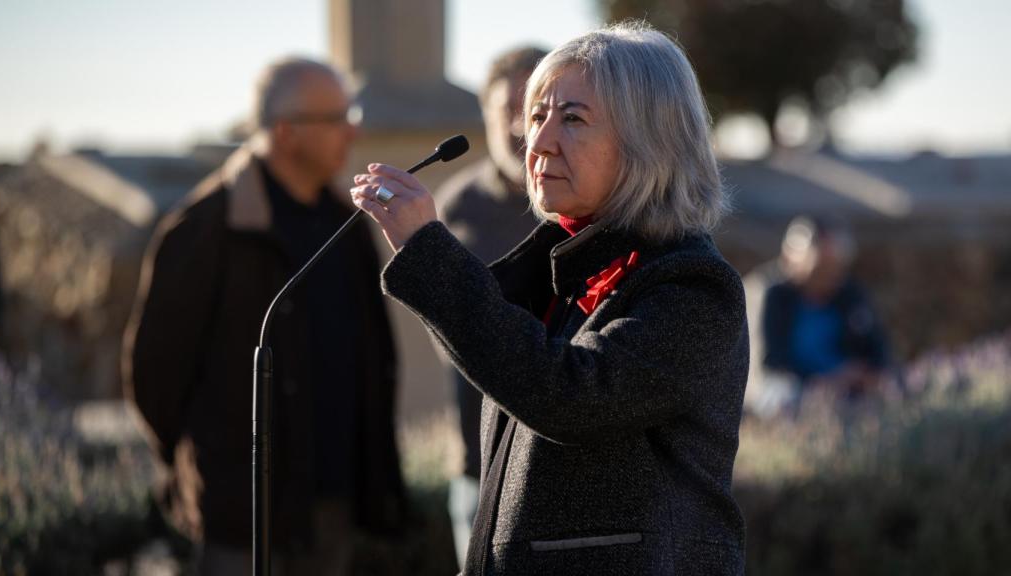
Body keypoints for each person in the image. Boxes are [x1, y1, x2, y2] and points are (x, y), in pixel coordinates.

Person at [351, 22, 748, 575]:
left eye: (572, 119)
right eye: (536, 117)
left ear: (650, 138)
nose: (534, 143)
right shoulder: (563, 270)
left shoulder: (694, 288)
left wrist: (428, 253)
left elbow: (568, 397)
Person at [123, 57, 404, 575]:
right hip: (241, 516)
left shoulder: (349, 221)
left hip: (333, 507)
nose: (354, 129)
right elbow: (154, 378)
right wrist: (205, 467)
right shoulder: (206, 228)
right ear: (285, 131)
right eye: (338, 116)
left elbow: (373, 353)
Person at [433, 45, 547, 569]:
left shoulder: (593, 203)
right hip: (479, 465)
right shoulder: (456, 207)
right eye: (509, 110)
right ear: (485, 113)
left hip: (570, 460)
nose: (523, 127)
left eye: (538, 109)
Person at [752, 215, 891, 415]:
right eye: (820, 268)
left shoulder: (852, 297)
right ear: (791, 260)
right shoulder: (773, 296)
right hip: (794, 392)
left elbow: (879, 354)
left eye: (835, 266)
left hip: (849, 392)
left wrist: (862, 376)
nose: (828, 276)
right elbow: (771, 363)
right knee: (784, 396)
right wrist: (825, 380)